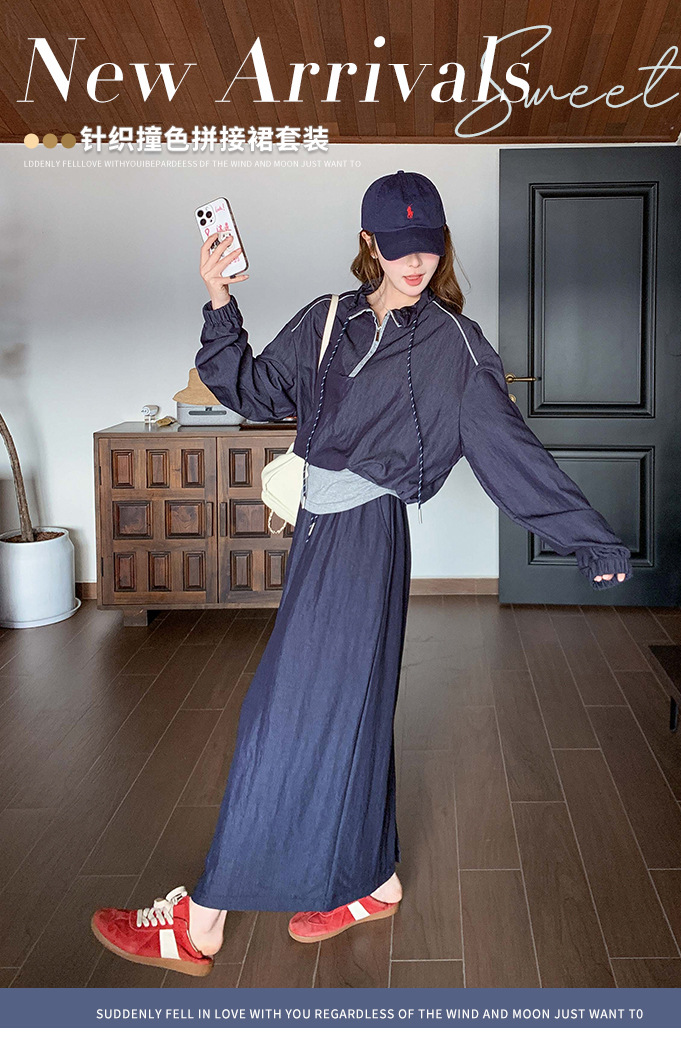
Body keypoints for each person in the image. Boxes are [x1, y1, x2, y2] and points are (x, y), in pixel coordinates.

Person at [90, 170, 632, 977]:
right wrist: (218, 298)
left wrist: (589, 538)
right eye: (400, 246)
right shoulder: (327, 320)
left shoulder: (453, 344)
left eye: (429, 246)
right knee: (352, 706)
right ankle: (373, 883)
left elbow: (508, 448)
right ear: (370, 243)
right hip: (320, 530)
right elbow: (251, 391)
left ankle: (199, 924)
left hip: (366, 538)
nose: (416, 263)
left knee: (285, 717)